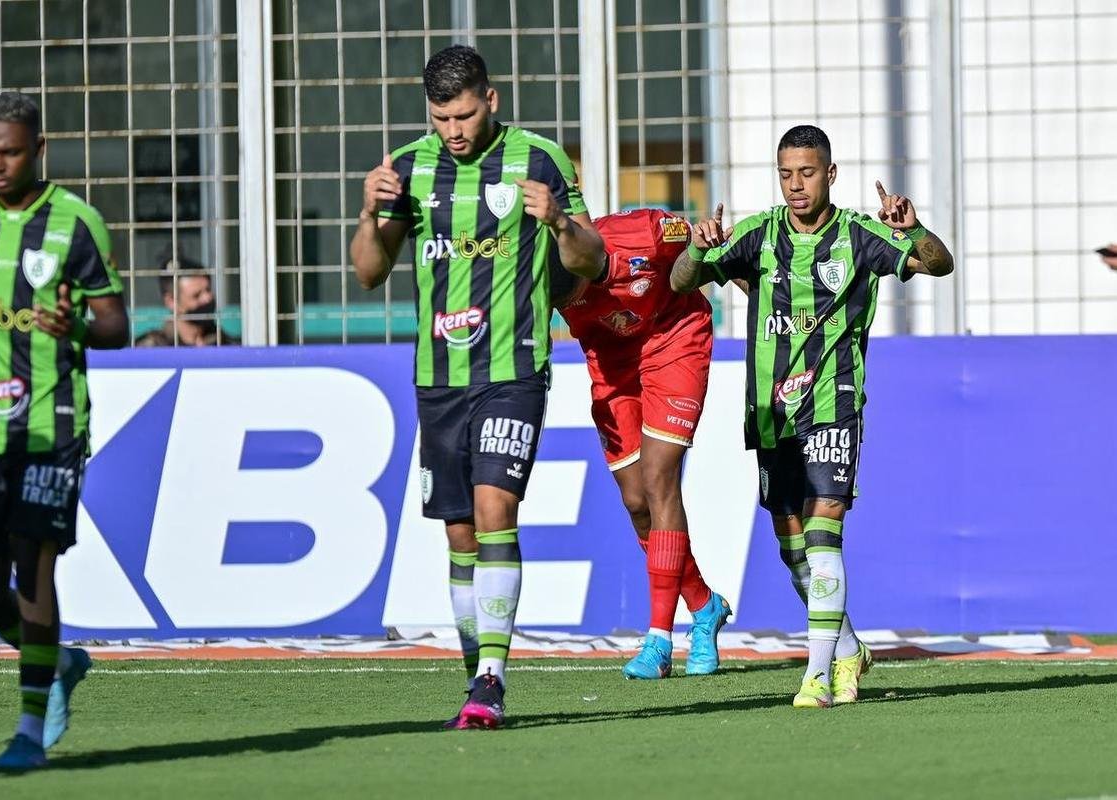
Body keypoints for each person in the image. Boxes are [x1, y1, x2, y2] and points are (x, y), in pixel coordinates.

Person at [350, 45, 604, 729]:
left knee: (496, 509)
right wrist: (370, 214)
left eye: (463, 115)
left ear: (490, 100)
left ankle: (491, 677)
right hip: (437, 379)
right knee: (459, 532)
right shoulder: (407, 168)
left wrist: (556, 220)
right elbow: (369, 272)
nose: (453, 131)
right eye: (441, 118)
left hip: (512, 370)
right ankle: (476, 672)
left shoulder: (541, 160)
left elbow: (592, 260)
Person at [671, 124, 954, 708]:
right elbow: (682, 281)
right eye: (785, 174)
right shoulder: (757, 235)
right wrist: (698, 248)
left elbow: (939, 263)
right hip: (772, 409)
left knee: (825, 527)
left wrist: (914, 230)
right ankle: (848, 648)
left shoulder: (860, 235)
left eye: (806, 173)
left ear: (830, 174)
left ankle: (817, 675)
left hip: (834, 402)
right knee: (791, 543)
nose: (795, 186)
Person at [0, 92, 129, 767]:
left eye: (10, 152)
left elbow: (116, 328)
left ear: (39, 149)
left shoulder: (76, 222)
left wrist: (77, 328)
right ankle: (58, 662)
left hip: (52, 425)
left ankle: (30, 731)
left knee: (34, 562)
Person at [556, 208, 732, 679]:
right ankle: (704, 604)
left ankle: (658, 638)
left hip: (674, 340)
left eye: (573, 289)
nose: (571, 302)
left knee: (659, 479)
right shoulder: (541, 277)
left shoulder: (646, 232)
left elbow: (703, 260)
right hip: (612, 369)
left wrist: (755, 286)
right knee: (636, 502)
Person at [135, 252, 237, 346]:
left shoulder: (225, 343)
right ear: (171, 302)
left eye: (208, 290)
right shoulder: (152, 348)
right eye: (196, 295)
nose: (208, 298)